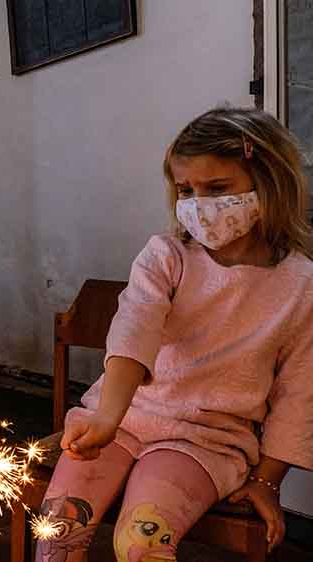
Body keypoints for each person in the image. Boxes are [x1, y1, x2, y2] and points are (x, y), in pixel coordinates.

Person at [36, 107, 313, 562]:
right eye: (187, 190)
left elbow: (298, 392)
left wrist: (266, 480)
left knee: (141, 546)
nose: (199, 204)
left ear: (269, 183)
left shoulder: (300, 284)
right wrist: (107, 418)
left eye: (217, 189)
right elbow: (134, 329)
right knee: (56, 539)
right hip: (122, 418)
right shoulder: (166, 254)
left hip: (204, 441)